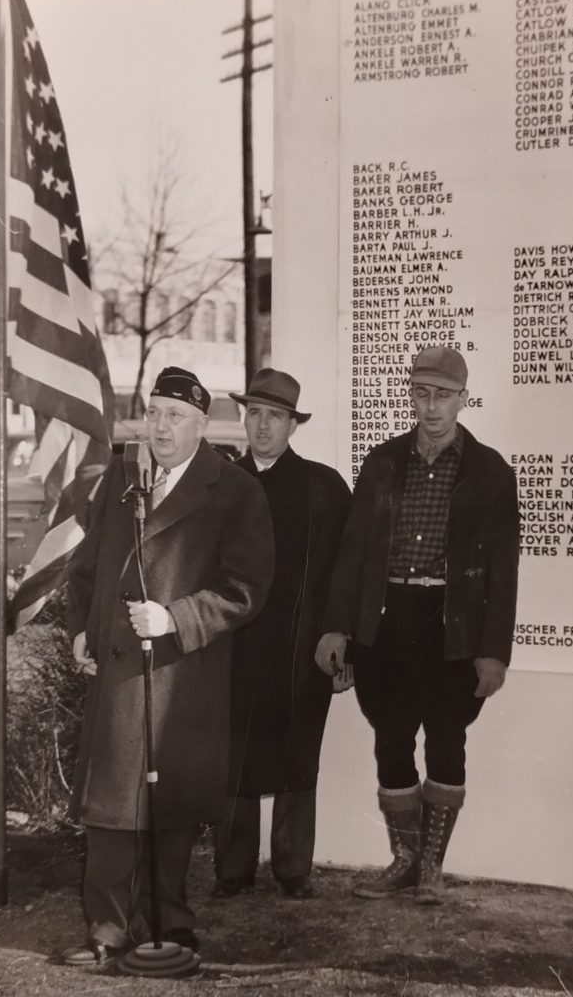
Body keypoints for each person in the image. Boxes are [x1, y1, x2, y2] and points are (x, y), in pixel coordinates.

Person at [63, 366, 274, 965]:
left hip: (183, 673)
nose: (160, 425)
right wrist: (81, 626)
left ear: (203, 426)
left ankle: (170, 924)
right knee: (110, 803)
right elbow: (87, 565)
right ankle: (106, 929)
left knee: (170, 804)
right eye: (154, 412)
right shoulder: (122, 478)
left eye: (175, 416)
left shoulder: (234, 490)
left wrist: (177, 618)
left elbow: (247, 588)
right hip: (119, 672)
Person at [315, 346, 519, 903]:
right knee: (391, 738)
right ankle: (403, 860)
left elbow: (504, 574)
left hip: (453, 627)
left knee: (448, 740)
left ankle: (431, 867)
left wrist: (493, 651)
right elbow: (353, 556)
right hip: (387, 622)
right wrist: (338, 628)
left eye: (443, 396)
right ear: (411, 394)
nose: (431, 408)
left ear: (463, 399)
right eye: (422, 394)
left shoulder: (491, 473)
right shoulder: (381, 463)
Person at [213, 368, 351, 899]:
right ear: (243, 419)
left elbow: (344, 571)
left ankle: (293, 869)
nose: (263, 425)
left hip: (301, 647)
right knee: (233, 753)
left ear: (294, 424)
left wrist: (342, 639)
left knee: (298, 752)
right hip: (235, 645)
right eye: (255, 414)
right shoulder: (223, 482)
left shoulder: (323, 487)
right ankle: (232, 868)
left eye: (275, 416)